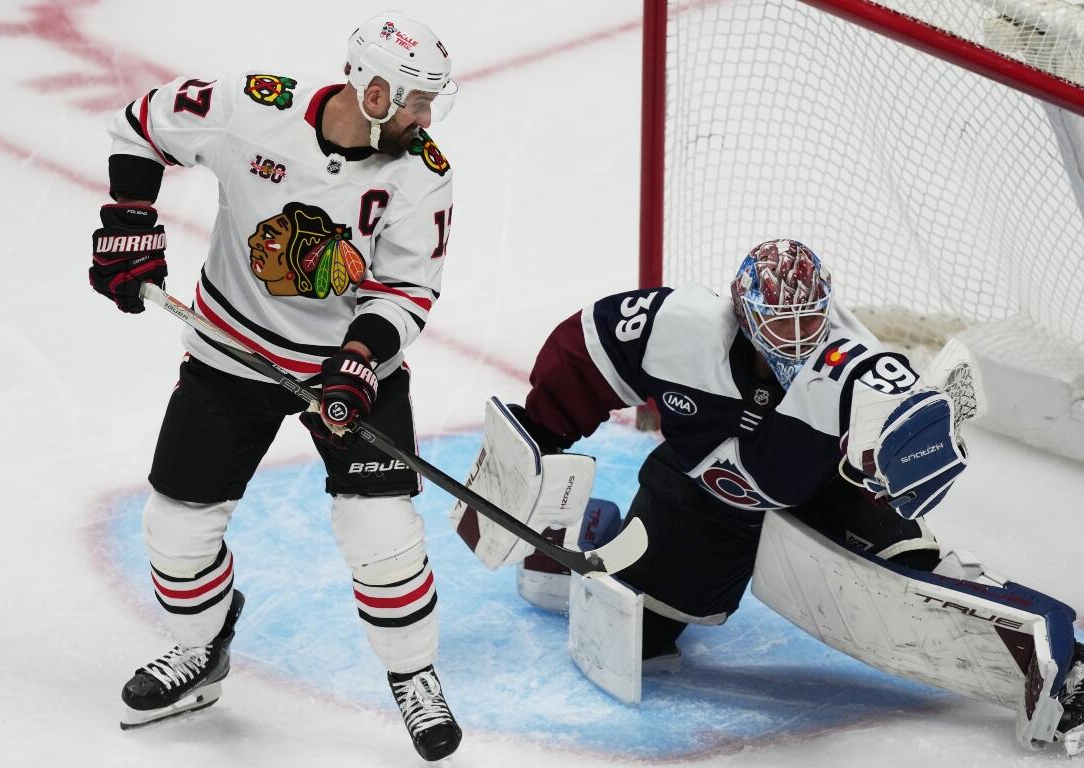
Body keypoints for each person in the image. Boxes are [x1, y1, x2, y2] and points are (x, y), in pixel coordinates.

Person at [452, 239, 1083, 756]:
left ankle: (1064, 661)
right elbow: (584, 351)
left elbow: (896, 400)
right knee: (641, 639)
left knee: (909, 567)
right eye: (781, 323)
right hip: (703, 493)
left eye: (812, 319)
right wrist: (540, 433)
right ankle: (594, 535)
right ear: (744, 309)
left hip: (819, 489)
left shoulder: (845, 358)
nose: (799, 336)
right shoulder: (680, 327)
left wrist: (904, 444)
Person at [88, 11, 461, 761]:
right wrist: (131, 219)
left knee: (382, 538)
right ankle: (201, 647)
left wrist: (358, 360)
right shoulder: (254, 110)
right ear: (372, 87)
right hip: (231, 354)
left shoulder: (423, 174)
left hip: (349, 371)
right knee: (177, 529)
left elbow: (407, 292)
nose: (426, 118)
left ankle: (414, 675)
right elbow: (141, 125)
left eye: (431, 102)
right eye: (416, 100)